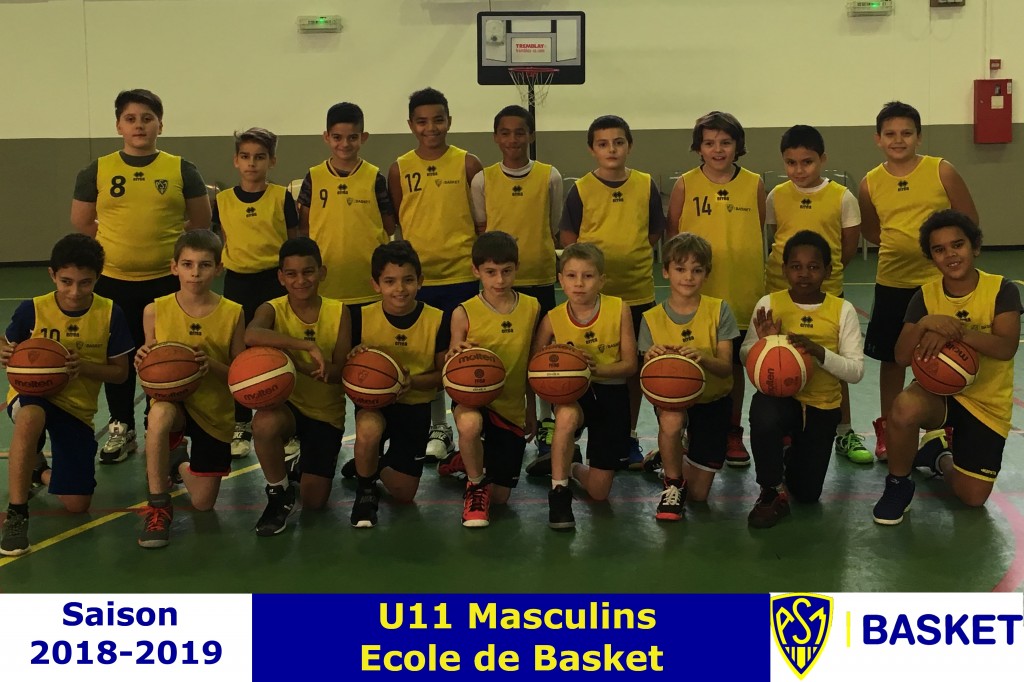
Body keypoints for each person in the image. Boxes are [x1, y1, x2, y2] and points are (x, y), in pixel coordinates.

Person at [70, 89, 212, 465]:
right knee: (119, 357)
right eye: (130, 119)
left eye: (147, 118)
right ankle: (122, 426)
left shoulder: (181, 169)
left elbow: (201, 221)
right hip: (113, 281)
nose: (139, 126)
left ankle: (162, 429)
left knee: (165, 356)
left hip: (166, 283)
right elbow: (82, 222)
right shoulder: (97, 170)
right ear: (118, 125)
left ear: (160, 125)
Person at [872, 210, 1021, 525]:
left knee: (973, 497)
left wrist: (955, 332)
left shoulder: (1002, 290)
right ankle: (898, 485)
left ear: (974, 247)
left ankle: (937, 456)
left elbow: (1006, 347)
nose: (950, 254)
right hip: (938, 394)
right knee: (904, 406)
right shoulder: (925, 296)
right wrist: (926, 323)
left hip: (986, 403)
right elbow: (901, 356)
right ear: (931, 258)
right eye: (939, 249)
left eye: (957, 245)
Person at [858, 101, 978, 461]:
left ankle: (941, 430)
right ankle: (888, 427)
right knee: (892, 360)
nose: (899, 140)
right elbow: (873, 231)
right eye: (890, 134)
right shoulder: (869, 182)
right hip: (893, 281)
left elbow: (968, 221)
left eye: (906, 133)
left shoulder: (942, 171)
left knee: (944, 356)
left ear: (919, 137)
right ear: (878, 139)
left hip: (938, 284)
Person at [0, 234, 133, 556]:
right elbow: (6, 343)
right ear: (52, 275)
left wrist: (83, 366)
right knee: (30, 416)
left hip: (76, 408)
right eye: (66, 282)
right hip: (31, 394)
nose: (75, 291)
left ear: (98, 278)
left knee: (77, 504)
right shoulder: (33, 310)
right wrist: (4, 352)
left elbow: (121, 373)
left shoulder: (110, 313)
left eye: (85, 283)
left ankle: (39, 471)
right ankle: (17, 513)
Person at [559, 114, 665, 469]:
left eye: (618, 142)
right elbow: (570, 239)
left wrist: (630, 253)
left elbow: (654, 232)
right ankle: (575, 434)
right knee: (587, 363)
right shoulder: (581, 188)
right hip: (592, 299)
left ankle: (629, 435)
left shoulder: (646, 184)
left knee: (632, 371)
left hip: (637, 292)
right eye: (603, 144)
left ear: (629, 145)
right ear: (592, 149)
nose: (612, 149)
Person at [740, 231, 864, 528]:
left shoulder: (842, 310)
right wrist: (766, 343)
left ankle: (790, 451)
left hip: (822, 405)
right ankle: (770, 489)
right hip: (782, 399)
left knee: (807, 494)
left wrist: (819, 352)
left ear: (828, 271)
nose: (804, 274)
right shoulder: (769, 303)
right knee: (764, 412)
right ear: (784, 270)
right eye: (796, 266)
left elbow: (856, 371)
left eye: (813, 266)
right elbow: (745, 354)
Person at [388, 87, 483, 464]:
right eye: (422, 121)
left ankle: (468, 424)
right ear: (411, 125)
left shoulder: (468, 163)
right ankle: (438, 427)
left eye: (438, 120)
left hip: (461, 276)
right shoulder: (399, 168)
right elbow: (400, 220)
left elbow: (481, 221)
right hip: (419, 282)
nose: (431, 128)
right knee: (428, 356)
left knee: (461, 354)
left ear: (449, 121)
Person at [765, 124, 869, 464]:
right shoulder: (776, 195)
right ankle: (785, 429)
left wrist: (822, 275)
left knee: (834, 362)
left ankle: (844, 430)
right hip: (781, 291)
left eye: (807, 162)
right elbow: (774, 237)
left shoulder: (842, 197)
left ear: (822, 159)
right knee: (780, 359)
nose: (799, 170)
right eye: (791, 162)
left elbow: (848, 247)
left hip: (826, 293)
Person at [667, 111, 766, 467]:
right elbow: (673, 236)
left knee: (734, 366)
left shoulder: (754, 183)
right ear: (699, 148)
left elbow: (758, 228)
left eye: (725, 142)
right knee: (691, 360)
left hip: (742, 291)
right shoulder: (685, 184)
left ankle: (731, 430)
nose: (718, 149)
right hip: (697, 294)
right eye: (709, 143)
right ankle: (688, 429)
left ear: (738, 146)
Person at [134, 231, 244, 548]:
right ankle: (158, 507)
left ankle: (178, 461)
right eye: (187, 264)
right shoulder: (155, 310)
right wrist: (143, 360)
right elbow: (151, 372)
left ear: (218, 268)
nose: (195, 273)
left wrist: (211, 364)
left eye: (204, 265)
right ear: (174, 267)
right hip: (174, 403)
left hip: (214, 410)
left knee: (203, 503)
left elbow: (239, 375)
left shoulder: (233, 312)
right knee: (159, 414)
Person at [470, 105, 562, 458]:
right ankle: (494, 421)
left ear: (531, 135)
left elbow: (553, 224)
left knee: (541, 354)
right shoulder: (483, 179)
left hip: (539, 276)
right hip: (498, 282)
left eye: (520, 132)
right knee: (501, 352)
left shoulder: (550, 176)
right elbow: (482, 226)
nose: (513, 139)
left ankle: (546, 421)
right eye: (505, 132)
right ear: (496, 137)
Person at [245, 237, 351, 535]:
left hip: (325, 413)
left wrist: (311, 368)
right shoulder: (272, 309)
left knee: (314, 501)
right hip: (287, 406)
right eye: (291, 274)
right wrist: (304, 347)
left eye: (308, 272)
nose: (300, 280)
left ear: (322, 272)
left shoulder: (339, 312)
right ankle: (279, 493)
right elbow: (251, 335)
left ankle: (300, 468)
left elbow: (339, 372)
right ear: (281, 277)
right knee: (263, 423)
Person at [532, 243, 637, 530]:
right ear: (560, 279)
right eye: (571, 276)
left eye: (588, 276)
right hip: (573, 395)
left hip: (611, 392)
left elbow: (630, 365)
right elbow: (535, 367)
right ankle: (559, 493)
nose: (579, 283)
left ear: (601, 280)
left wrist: (591, 369)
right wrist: (557, 362)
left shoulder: (619, 309)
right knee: (565, 416)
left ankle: (570, 465)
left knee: (599, 493)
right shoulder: (552, 318)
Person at [637, 233, 738, 521]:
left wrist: (702, 357)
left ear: (707, 273)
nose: (688, 277)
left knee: (699, 494)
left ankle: (667, 454)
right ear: (666, 271)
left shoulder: (719, 310)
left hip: (713, 401)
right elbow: (647, 380)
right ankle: (672, 483)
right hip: (673, 401)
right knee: (670, 419)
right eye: (680, 269)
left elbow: (726, 367)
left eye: (697, 270)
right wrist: (651, 359)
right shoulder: (651, 318)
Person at [347, 241, 448, 528]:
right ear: (375, 284)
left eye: (408, 280)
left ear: (420, 281)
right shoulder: (360, 317)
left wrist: (411, 382)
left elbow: (443, 375)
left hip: (415, 404)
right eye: (389, 281)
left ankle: (368, 463)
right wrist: (354, 360)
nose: (400, 289)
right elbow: (344, 369)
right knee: (368, 428)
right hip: (374, 404)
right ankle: (366, 490)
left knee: (404, 494)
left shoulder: (437, 319)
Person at [445, 232, 541, 528]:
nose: (499, 280)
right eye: (490, 272)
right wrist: (455, 355)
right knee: (470, 424)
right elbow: (451, 368)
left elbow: (531, 364)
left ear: (517, 268)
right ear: (476, 271)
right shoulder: (463, 312)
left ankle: (465, 457)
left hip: (510, 404)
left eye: (506, 271)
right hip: (472, 400)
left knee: (500, 498)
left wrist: (531, 408)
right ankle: (474, 484)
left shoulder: (532, 307)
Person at [215, 127, 298, 459]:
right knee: (238, 351)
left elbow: (293, 240)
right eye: (246, 157)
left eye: (260, 157)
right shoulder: (222, 200)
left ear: (272, 161)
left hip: (273, 282)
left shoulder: (280, 197)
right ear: (236, 160)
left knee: (277, 350)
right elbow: (222, 239)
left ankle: (286, 423)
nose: (252, 163)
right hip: (237, 282)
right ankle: (241, 422)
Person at [297, 102, 396, 304]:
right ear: (326, 137)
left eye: (352, 137)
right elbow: (305, 227)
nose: (345, 144)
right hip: (326, 281)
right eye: (337, 137)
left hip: (369, 281)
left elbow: (389, 226)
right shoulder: (314, 177)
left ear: (363, 137)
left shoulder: (374, 177)